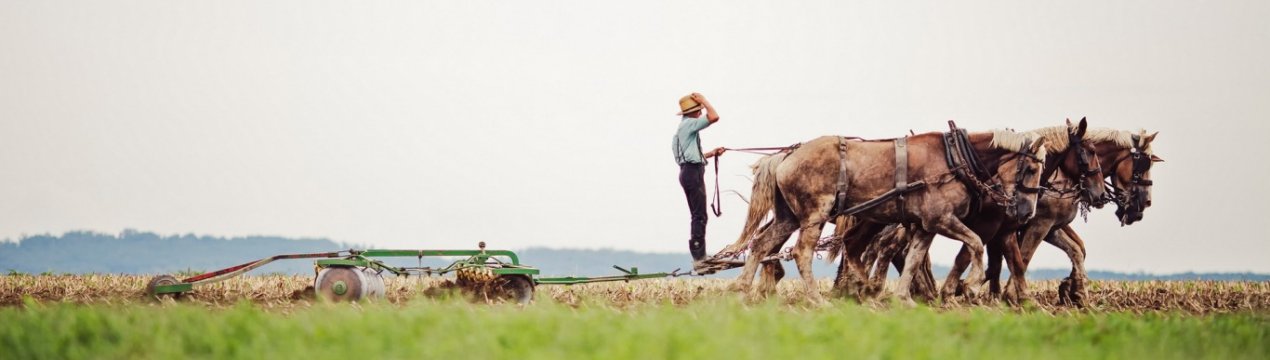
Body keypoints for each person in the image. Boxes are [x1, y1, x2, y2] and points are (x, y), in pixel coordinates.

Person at [671, 92, 724, 267]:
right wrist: (704, 100)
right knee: (699, 215)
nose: (701, 113)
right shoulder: (689, 124)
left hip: (689, 171)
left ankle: (700, 255)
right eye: (699, 110)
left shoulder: (682, 130)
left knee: (698, 214)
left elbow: (689, 156)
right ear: (692, 112)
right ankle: (699, 258)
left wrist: (711, 153)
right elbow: (714, 116)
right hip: (692, 172)